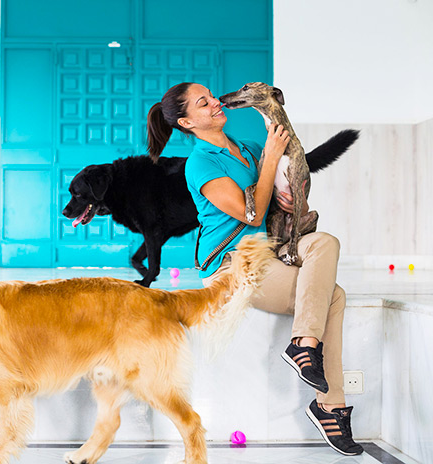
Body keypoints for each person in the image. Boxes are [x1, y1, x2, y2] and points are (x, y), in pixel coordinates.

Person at [146, 82, 363, 456]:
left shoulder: (245, 149)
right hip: (232, 265)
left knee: (325, 242)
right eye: (204, 103)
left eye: (212, 96)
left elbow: (270, 202)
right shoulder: (201, 163)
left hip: (269, 249)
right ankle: (329, 404)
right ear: (186, 121)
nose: (216, 102)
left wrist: (284, 193)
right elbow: (251, 212)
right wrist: (272, 158)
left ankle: (303, 345)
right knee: (335, 296)